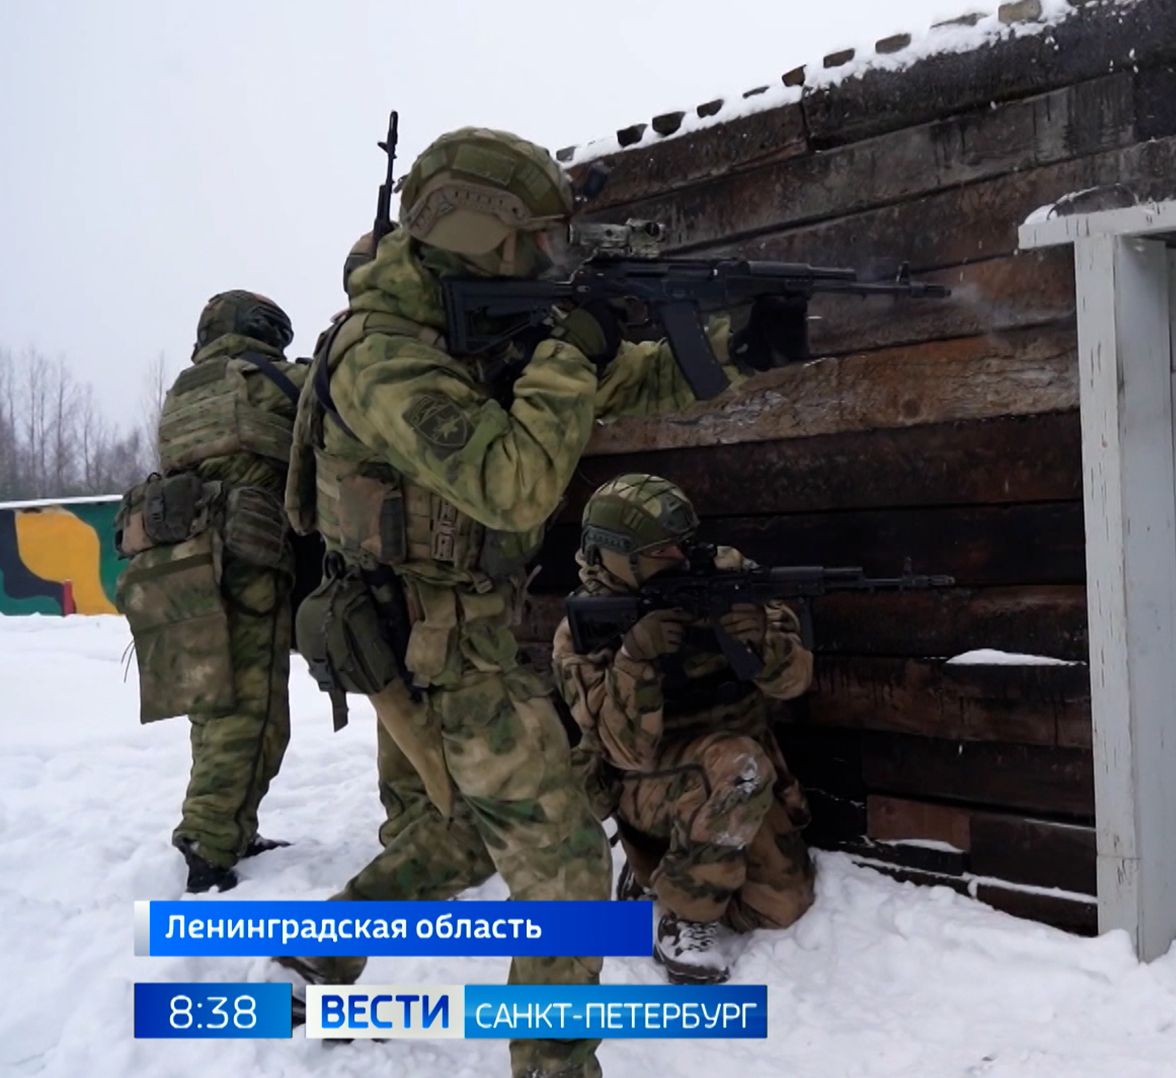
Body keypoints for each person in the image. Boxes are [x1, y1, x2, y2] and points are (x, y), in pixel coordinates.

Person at [275, 127, 801, 1078]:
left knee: (482, 826)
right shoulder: (381, 356)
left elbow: (618, 379)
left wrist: (738, 346)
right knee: (563, 868)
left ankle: (330, 944)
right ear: (478, 232)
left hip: (460, 641)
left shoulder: (474, 329)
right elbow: (512, 481)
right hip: (431, 650)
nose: (554, 252)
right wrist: (575, 340)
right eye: (538, 235)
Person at [551, 474, 816, 985]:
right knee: (740, 764)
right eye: (660, 549)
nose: (679, 555)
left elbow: (794, 683)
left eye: (682, 542)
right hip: (648, 781)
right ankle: (684, 920)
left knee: (784, 906)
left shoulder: (730, 577)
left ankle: (669, 872)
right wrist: (635, 657)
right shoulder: (582, 630)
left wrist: (762, 638)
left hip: (735, 782)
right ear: (614, 555)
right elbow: (623, 750)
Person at [117, 291, 306, 893]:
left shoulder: (184, 390)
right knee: (253, 716)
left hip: (187, 562)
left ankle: (223, 826)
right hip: (247, 559)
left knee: (212, 705)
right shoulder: (278, 379)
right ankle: (211, 844)